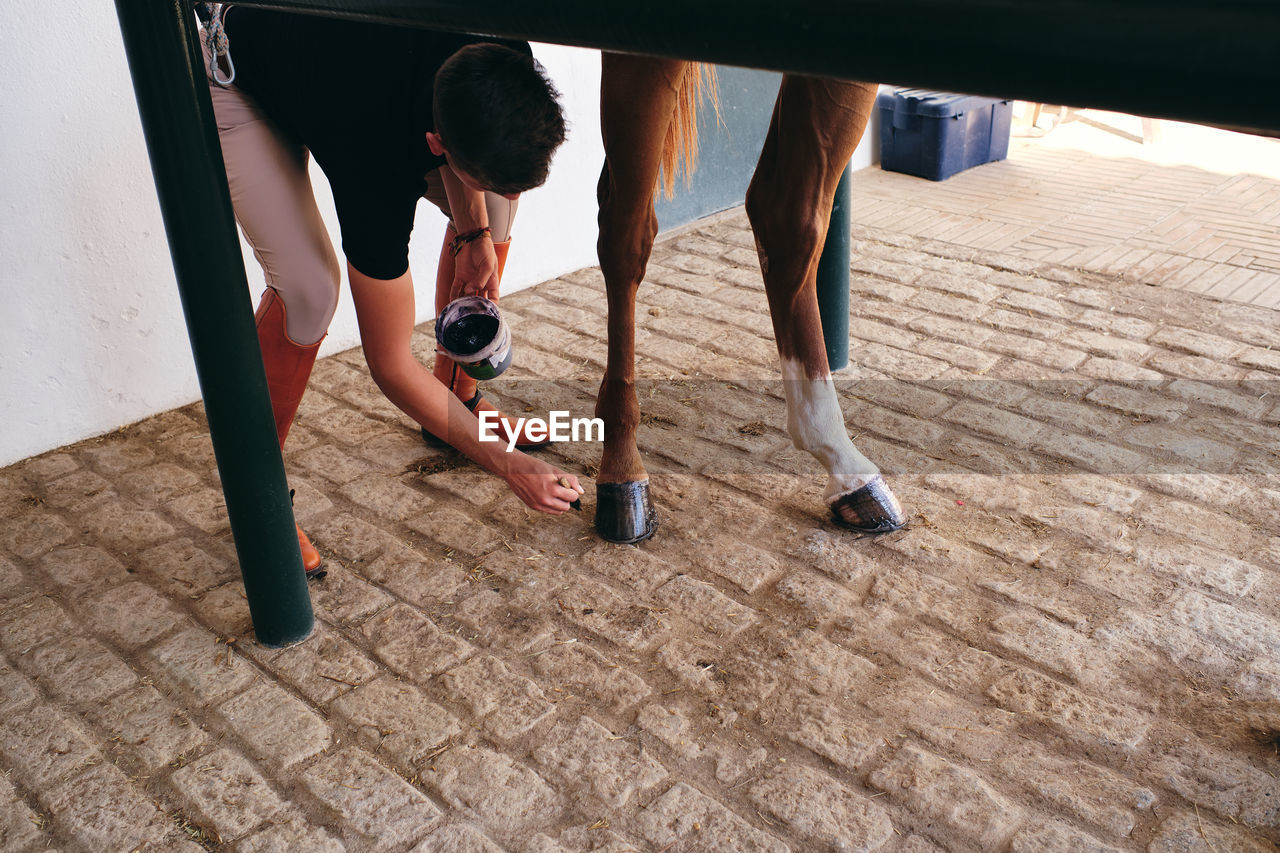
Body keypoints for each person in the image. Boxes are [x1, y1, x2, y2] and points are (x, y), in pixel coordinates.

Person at [200, 6, 584, 574]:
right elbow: (388, 364)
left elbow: (465, 138)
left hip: (347, 56)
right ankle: (254, 497)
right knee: (309, 289)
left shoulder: (503, 46)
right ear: (434, 143)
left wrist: (475, 232)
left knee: (496, 208)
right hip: (244, 74)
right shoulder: (372, 154)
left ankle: (459, 405)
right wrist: (507, 466)